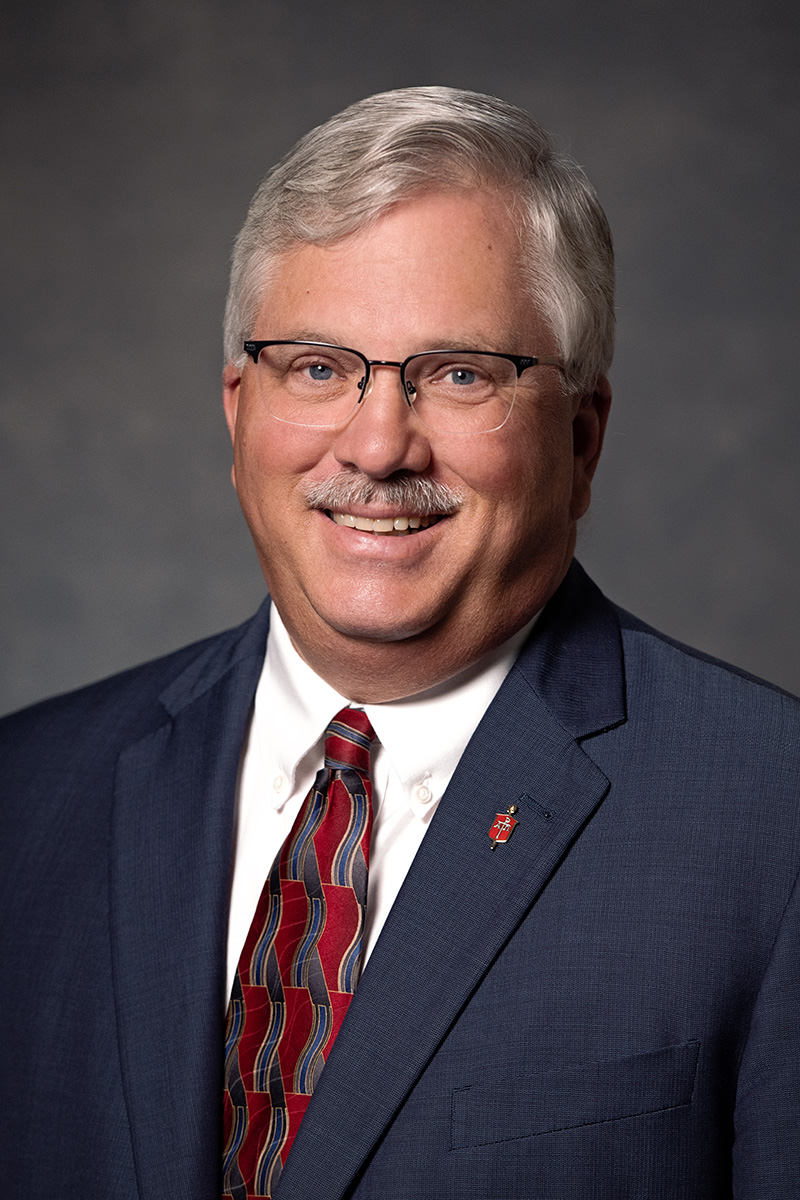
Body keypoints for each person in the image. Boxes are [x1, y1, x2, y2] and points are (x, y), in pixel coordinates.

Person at [1, 86, 799, 1200]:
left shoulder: (772, 815)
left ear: (580, 438)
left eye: (459, 372)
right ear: (238, 415)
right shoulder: (26, 796)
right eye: (318, 366)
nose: (376, 446)